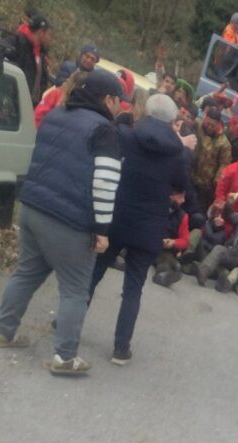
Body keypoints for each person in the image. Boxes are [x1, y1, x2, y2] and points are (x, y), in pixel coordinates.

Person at [0, 68, 123, 375]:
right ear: (108, 99)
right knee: (76, 290)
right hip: (69, 222)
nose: (121, 108)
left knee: (26, 272)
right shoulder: (105, 131)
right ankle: (64, 358)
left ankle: (2, 330)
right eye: (120, 101)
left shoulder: (57, 114)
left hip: (33, 208)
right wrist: (101, 230)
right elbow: (105, 184)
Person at [88, 93, 188, 364]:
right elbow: (181, 187)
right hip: (149, 227)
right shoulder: (178, 153)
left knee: (94, 272)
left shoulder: (124, 135)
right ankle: (121, 349)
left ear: (146, 112)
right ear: (171, 121)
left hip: (117, 219)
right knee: (133, 289)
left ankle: (67, 321)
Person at [192, 101, 232, 213]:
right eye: (207, 123)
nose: (209, 127)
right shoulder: (197, 126)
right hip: (190, 176)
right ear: (204, 118)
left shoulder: (224, 143)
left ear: (218, 124)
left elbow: (224, 165)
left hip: (206, 185)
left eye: (212, 125)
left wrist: (216, 183)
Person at [13, 12, 52, 106]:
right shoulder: (18, 42)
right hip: (14, 102)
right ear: (41, 32)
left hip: (29, 104)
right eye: (49, 34)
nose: (50, 38)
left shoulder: (41, 53)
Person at [153, 190, 189, 288]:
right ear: (171, 196)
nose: (183, 200)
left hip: (164, 248)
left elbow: (185, 241)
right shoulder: (155, 205)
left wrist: (174, 242)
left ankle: (162, 276)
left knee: (165, 259)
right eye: (181, 197)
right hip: (148, 241)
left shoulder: (183, 216)